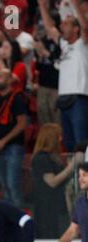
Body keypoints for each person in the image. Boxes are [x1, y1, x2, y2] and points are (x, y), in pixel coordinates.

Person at [38, 0, 88, 152]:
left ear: (76, 29)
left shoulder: (83, 45)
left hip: (79, 98)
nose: (61, 26)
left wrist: (74, 5)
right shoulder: (65, 45)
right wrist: (42, 5)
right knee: (69, 142)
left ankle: (85, 174)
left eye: (66, 24)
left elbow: (85, 26)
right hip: (63, 99)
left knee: (81, 142)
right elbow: (49, 28)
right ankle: (75, 175)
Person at [31, 124, 85, 238]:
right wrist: (72, 166)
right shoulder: (41, 158)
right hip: (48, 206)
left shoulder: (53, 157)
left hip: (58, 203)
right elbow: (52, 182)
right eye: (58, 136)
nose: (61, 139)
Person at [0, 69, 27, 207]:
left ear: (10, 80)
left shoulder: (17, 98)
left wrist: (5, 140)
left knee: (12, 184)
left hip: (13, 146)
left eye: (1, 76)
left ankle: (20, 219)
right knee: (4, 184)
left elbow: (22, 123)